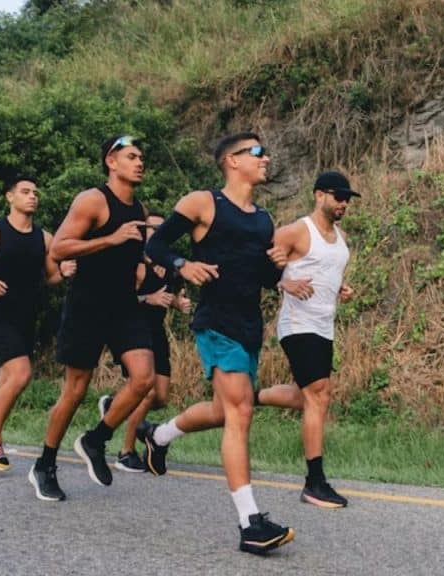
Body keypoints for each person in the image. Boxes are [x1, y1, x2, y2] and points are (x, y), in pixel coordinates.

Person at [144, 132, 295, 555]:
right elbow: (154, 244)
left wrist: (277, 266)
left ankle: (158, 436)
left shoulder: (264, 219)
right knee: (241, 410)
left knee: (223, 408)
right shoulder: (203, 203)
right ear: (232, 160)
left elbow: (263, 279)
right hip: (216, 323)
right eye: (258, 152)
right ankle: (250, 523)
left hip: (249, 326)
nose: (266, 159)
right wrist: (182, 264)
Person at [28, 135, 158, 501]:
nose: (139, 162)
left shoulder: (140, 209)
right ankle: (45, 465)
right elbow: (59, 247)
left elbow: (133, 253)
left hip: (124, 306)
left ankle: (95, 439)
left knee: (144, 377)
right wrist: (110, 239)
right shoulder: (93, 200)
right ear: (110, 161)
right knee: (75, 389)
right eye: (131, 156)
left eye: (142, 157)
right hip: (87, 304)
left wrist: (146, 264)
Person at [0, 177, 75, 472]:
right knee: (21, 374)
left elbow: (50, 278)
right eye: (25, 192)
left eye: (35, 192)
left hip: (25, 317)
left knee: (7, 381)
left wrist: (66, 272)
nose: (32, 196)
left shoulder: (44, 238)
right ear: (10, 197)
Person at [255, 171, 358, 508]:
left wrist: (339, 288)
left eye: (347, 198)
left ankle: (251, 396)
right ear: (319, 195)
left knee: (306, 397)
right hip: (298, 324)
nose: (343, 203)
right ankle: (315, 482)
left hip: (324, 325)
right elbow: (254, 264)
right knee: (320, 395)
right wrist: (284, 284)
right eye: (337, 196)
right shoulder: (296, 231)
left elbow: (326, 272)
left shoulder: (340, 240)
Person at [97, 212, 192, 473]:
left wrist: (177, 303)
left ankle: (113, 404)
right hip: (134, 331)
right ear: (145, 234)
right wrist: (146, 299)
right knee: (146, 391)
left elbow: (169, 296)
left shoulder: (172, 267)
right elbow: (115, 298)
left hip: (157, 332)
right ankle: (126, 452)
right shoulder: (136, 265)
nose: (158, 232)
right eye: (153, 228)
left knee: (160, 397)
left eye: (163, 229)